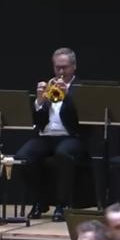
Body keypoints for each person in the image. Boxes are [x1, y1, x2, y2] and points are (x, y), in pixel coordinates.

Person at [19, 47, 84, 222]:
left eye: (65, 67)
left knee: (63, 154)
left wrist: (68, 95)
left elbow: (82, 117)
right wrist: (40, 101)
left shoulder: (80, 88)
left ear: (74, 66)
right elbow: (38, 121)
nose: (61, 72)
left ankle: (62, 204)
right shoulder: (48, 86)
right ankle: (41, 200)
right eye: (57, 68)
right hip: (46, 136)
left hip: (71, 136)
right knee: (22, 158)